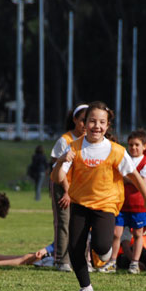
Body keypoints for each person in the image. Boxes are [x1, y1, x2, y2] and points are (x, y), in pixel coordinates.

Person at [51, 101, 146, 291]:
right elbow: (56, 178)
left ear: (107, 126)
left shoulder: (116, 150)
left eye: (101, 122)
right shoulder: (74, 147)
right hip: (80, 203)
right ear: (85, 123)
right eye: (92, 121)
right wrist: (61, 160)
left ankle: (105, 253)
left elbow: (133, 174)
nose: (96, 126)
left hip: (106, 204)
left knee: (101, 246)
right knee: (74, 246)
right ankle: (86, 289)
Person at [101, 129, 146, 275]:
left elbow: (142, 183)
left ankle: (134, 263)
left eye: (137, 145)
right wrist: (131, 180)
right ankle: (112, 262)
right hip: (122, 204)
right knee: (116, 234)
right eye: (131, 145)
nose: (133, 148)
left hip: (139, 206)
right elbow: (119, 177)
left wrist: (127, 179)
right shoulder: (124, 159)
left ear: (144, 146)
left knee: (137, 234)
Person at [49, 103, 89, 272]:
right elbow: (57, 167)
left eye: (89, 121)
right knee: (64, 222)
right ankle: (61, 260)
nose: (86, 125)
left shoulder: (90, 140)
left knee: (82, 224)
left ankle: (81, 260)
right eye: (82, 120)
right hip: (63, 185)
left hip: (80, 187)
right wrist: (67, 191)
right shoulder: (65, 140)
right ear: (74, 120)